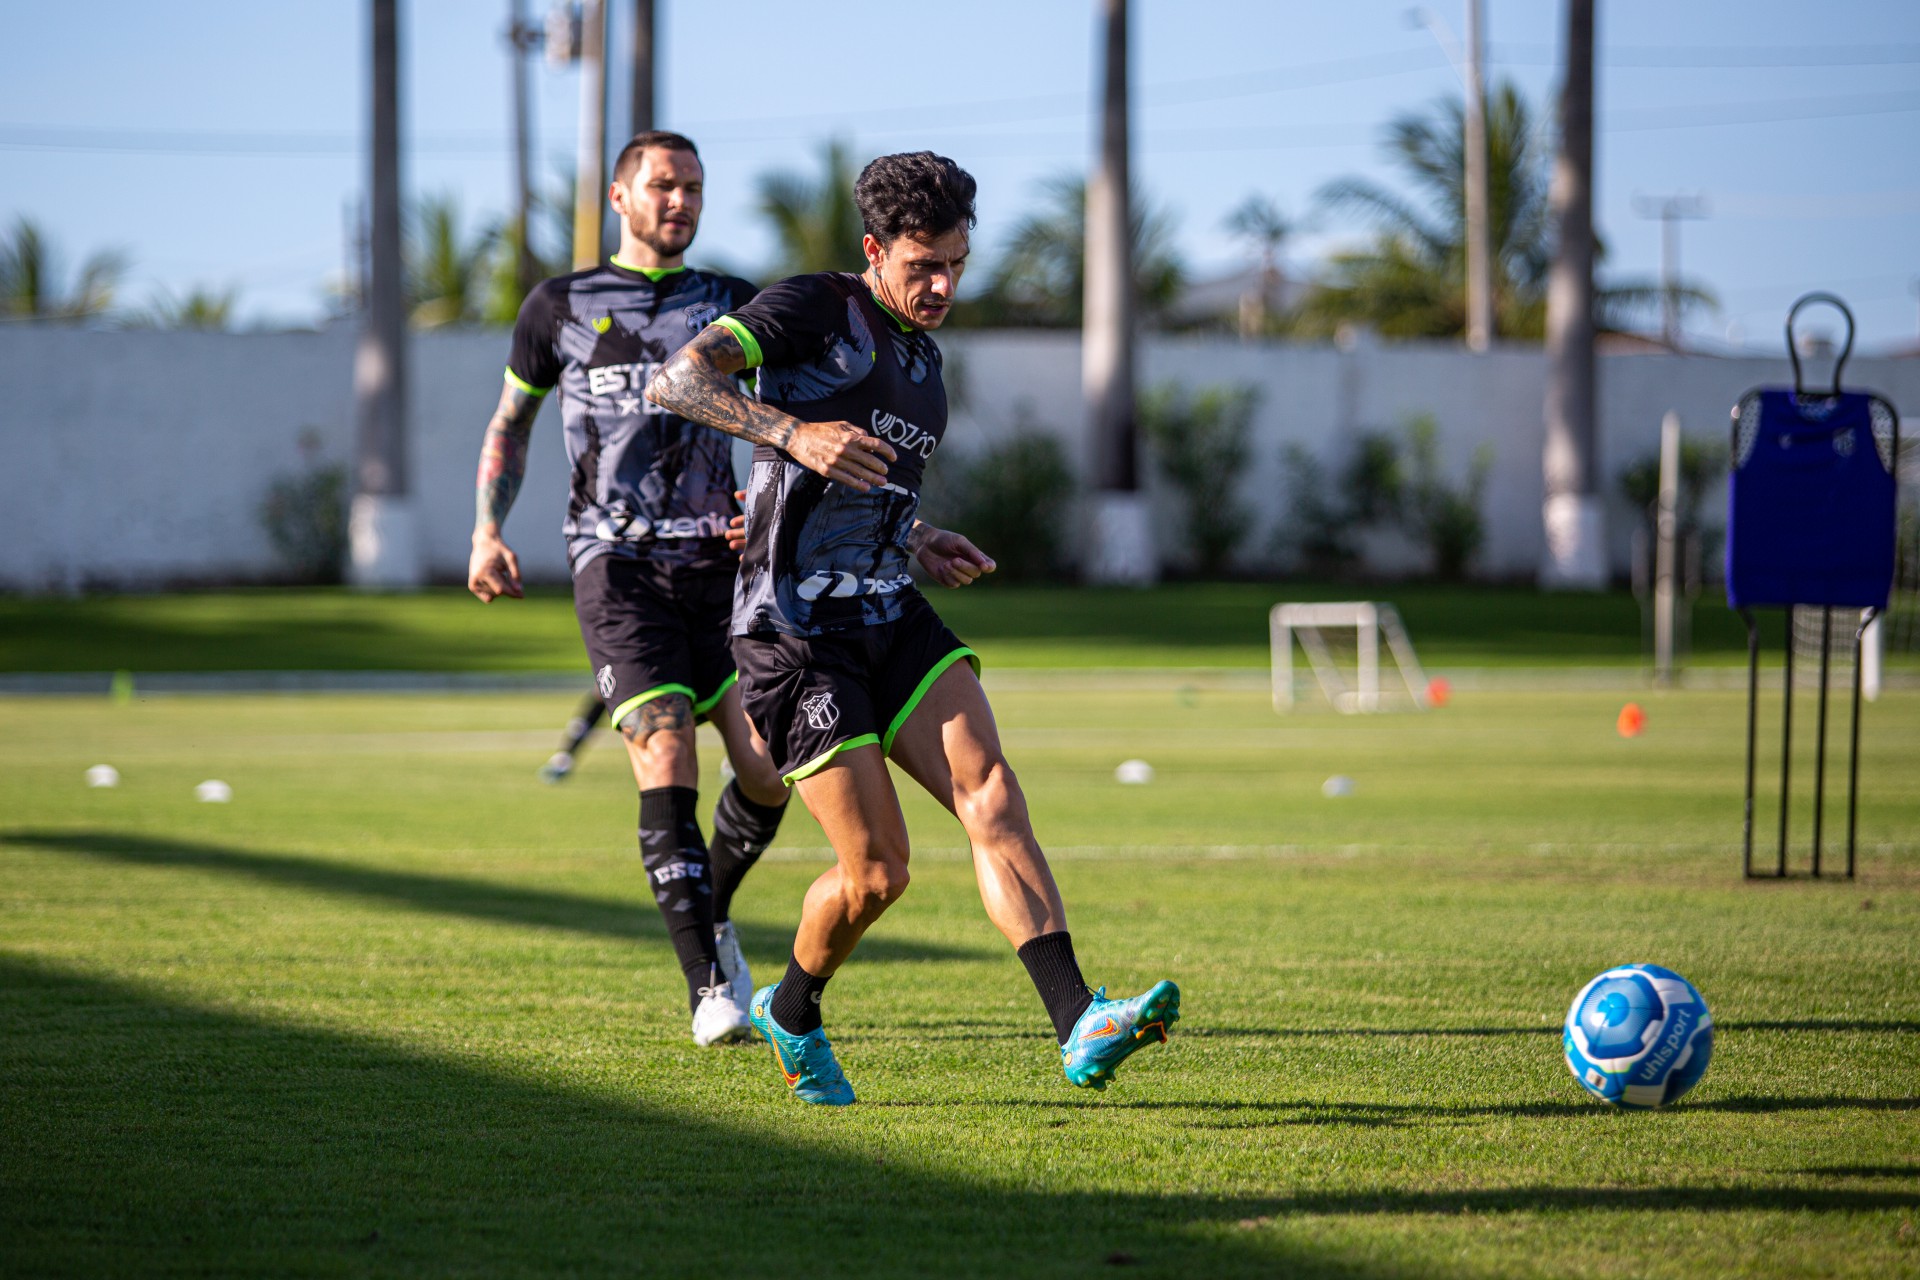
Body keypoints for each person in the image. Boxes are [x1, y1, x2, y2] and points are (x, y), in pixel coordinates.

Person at [647, 150, 1179, 1105]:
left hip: (893, 608)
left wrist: (922, 535)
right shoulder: (813, 308)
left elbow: (862, 483)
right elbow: (676, 384)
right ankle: (794, 1009)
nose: (941, 286)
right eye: (922, 265)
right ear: (873, 251)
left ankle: (1077, 1021)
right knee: (879, 874)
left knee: (993, 793)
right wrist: (787, 431)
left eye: (956, 266)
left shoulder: (925, 361)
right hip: (793, 632)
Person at [468, 130, 791, 1047]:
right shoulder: (558, 306)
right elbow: (510, 423)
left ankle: (713, 915)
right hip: (615, 566)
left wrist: (759, 506)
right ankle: (706, 992)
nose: (680, 201)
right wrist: (487, 531)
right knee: (666, 753)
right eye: (662, 186)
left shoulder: (732, 304)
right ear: (619, 198)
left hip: (724, 571)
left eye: (693, 186)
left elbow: (785, 424)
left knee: (771, 776)